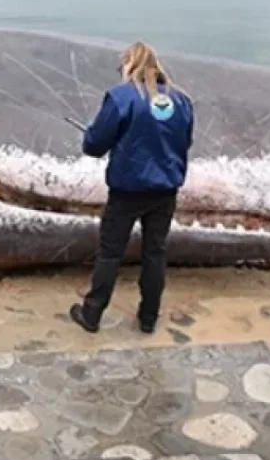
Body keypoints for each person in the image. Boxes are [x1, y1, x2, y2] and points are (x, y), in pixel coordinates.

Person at [69, 41, 194, 335]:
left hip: (127, 192)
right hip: (165, 191)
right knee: (155, 253)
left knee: (110, 253)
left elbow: (94, 145)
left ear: (129, 65)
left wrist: (92, 137)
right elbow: (184, 143)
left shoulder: (121, 97)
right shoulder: (181, 101)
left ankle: (92, 314)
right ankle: (148, 318)